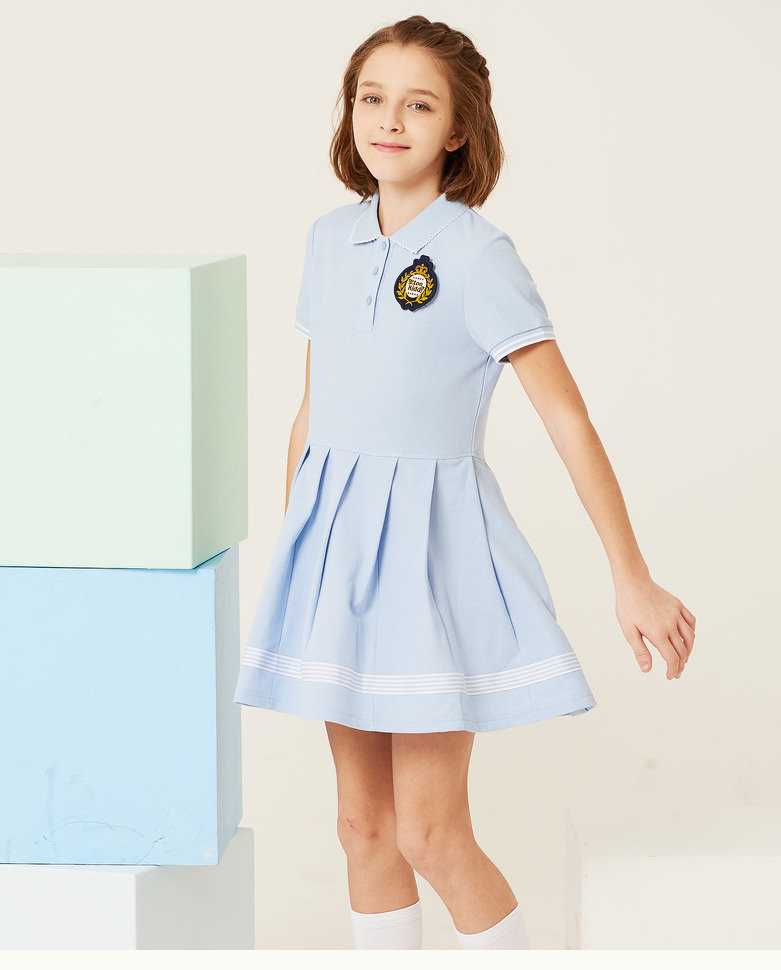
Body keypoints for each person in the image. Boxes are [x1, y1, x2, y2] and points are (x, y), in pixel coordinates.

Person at [234, 14, 696, 951]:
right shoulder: (328, 240)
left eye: (418, 105)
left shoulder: (480, 257)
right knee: (361, 827)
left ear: (457, 130)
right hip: (336, 560)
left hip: (426, 562)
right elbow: (314, 410)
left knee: (430, 832)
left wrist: (631, 575)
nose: (388, 120)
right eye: (372, 98)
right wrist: (296, 554)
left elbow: (567, 419)